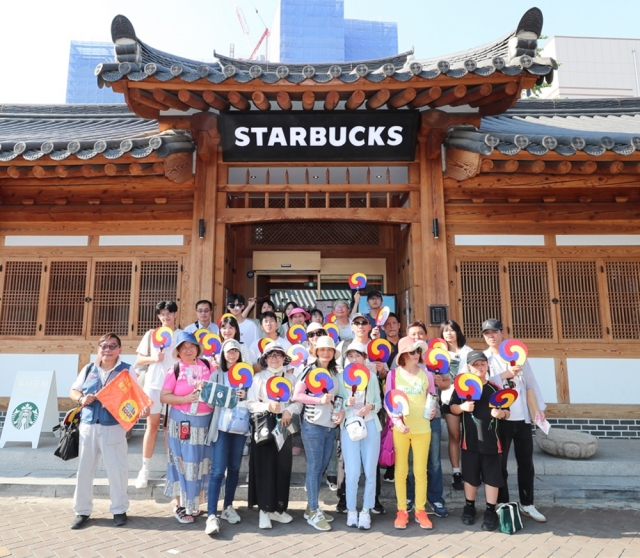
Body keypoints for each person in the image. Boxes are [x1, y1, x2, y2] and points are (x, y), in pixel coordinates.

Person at [69, 333, 150, 530]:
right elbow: (74, 391)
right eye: (104, 346)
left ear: (119, 350)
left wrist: (143, 408)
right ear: (99, 348)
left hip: (113, 426)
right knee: (84, 470)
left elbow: (137, 397)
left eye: (112, 346)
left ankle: (119, 510)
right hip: (88, 425)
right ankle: (82, 511)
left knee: (117, 470)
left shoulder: (127, 370)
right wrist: (81, 399)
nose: (108, 350)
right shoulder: (89, 368)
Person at [482, 318, 547, 523]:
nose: (491, 336)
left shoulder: (519, 355)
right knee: (500, 463)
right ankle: (503, 503)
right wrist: (505, 374)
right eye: (486, 333)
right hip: (501, 418)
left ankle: (528, 503)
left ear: (502, 332)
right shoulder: (483, 359)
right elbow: (483, 385)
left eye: (494, 331)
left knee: (526, 463)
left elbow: (530, 383)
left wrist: (539, 410)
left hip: (523, 418)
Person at [449, 349, 509, 531]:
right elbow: (452, 408)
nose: (479, 367)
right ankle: (469, 507)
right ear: (468, 367)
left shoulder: (494, 389)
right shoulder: (462, 388)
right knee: (470, 478)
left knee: (492, 478)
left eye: (482, 364)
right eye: (475, 365)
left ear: (487, 366)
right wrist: (462, 407)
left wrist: (501, 413)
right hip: (470, 442)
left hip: (492, 443)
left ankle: (490, 510)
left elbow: (507, 411)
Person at [246, 343, 302, 529]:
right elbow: (250, 403)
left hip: (284, 427)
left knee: (282, 468)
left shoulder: (292, 378)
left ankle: (278, 509)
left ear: (284, 359)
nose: (275, 359)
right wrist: (267, 406)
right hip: (264, 427)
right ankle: (264, 510)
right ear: (265, 359)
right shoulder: (258, 378)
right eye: (271, 356)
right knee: (264, 468)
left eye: (278, 355)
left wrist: (289, 410)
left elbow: (298, 402)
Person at [160, 331, 214, 523]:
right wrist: (185, 398)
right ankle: (180, 505)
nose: (188, 350)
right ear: (178, 352)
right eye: (184, 348)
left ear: (197, 349)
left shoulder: (208, 365)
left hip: (205, 422)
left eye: (191, 346)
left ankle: (194, 503)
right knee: (181, 462)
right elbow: (164, 396)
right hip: (182, 422)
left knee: (200, 462)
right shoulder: (174, 369)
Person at [293, 336, 344, 531]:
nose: (325, 353)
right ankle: (314, 510)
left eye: (329, 350)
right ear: (316, 351)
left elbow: (338, 398)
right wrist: (319, 400)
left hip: (330, 427)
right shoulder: (308, 370)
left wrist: (339, 411)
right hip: (313, 426)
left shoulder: (334, 373)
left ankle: (310, 507)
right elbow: (297, 395)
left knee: (321, 466)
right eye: (322, 349)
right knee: (314, 468)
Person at [387, 336, 434, 530]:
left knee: (420, 472)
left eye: (418, 351)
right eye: (412, 351)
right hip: (401, 429)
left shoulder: (427, 375)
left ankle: (420, 511)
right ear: (403, 354)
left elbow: (432, 398)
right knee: (401, 471)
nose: (416, 355)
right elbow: (388, 402)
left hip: (423, 429)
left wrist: (433, 411)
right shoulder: (393, 375)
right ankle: (401, 511)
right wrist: (397, 422)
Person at [406, 320, 451, 519]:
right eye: (412, 334)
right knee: (409, 460)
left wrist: (441, 382)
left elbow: (447, 383)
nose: (416, 337)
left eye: (420, 334)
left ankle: (435, 498)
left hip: (432, 416)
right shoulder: (403, 358)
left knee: (433, 461)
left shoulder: (435, 358)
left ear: (426, 336)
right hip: (409, 419)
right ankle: (409, 497)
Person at [205, 339, 250, 535]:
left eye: (235, 351)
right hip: (221, 428)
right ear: (223, 354)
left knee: (234, 468)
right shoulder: (217, 374)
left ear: (240, 354)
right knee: (217, 471)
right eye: (228, 351)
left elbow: (254, 399)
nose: (232, 355)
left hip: (240, 428)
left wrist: (245, 395)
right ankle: (211, 514)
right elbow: (208, 397)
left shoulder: (248, 376)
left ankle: (228, 507)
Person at [135, 300, 181, 489]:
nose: (166, 316)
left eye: (169, 313)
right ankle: (144, 469)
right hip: (153, 385)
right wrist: (154, 358)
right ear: (158, 316)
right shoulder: (150, 335)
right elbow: (139, 359)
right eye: (162, 313)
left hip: (174, 387)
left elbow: (191, 356)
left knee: (169, 428)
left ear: (176, 314)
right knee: (152, 426)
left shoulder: (181, 335)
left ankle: (172, 470)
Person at [338, 341, 382, 530]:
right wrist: (347, 404)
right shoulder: (340, 378)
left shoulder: (371, 377)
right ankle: (351, 509)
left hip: (371, 424)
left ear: (364, 357)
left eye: (358, 355)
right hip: (349, 426)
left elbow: (379, 403)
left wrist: (370, 406)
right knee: (353, 471)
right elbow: (337, 405)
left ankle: (366, 510)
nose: (354, 359)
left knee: (370, 470)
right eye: (351, 356)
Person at [437, 319, 473, 491]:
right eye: (445, 331)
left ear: (458, 332)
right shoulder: (438, 353)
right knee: (455, 435)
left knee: (469, 436)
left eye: (452, 330)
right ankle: (456, 472)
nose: (449, 333)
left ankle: (471, 470)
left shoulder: (469, 351)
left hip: (469, 396)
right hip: (448, 397)